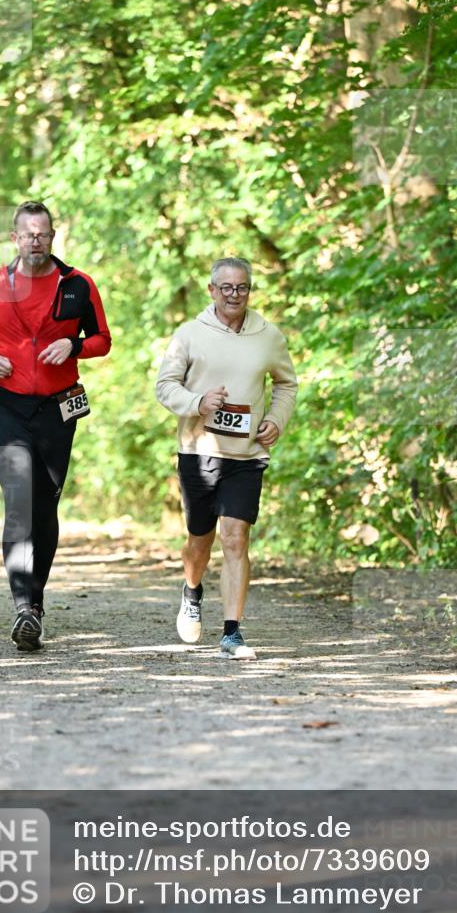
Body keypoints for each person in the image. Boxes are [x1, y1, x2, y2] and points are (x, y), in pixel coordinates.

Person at [0, 201, 111, 651]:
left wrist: (73, 345)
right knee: (18, 498)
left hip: (56, 409)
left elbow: (103, 340)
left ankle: (36, 603)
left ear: (52, 237)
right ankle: (23, 607)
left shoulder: (79, 284)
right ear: (15, 238)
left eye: (43, 233)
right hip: (5, 405)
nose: (35, 240)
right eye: (27, 233)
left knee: (44, 507)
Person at [156, 257, 297, 659]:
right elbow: (165, 387)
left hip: (247, 455)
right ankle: (192, 590)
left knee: (235, 537)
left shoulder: (267, 335)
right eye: (227, 288)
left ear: (250, 291)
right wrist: (198, 402)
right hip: (199, 452)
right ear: (212, 290)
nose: (235, 295)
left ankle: (232, 632)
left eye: (243, 288)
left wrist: (276, 419)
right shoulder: (188, 335)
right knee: (200, 539)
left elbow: (287, 384)